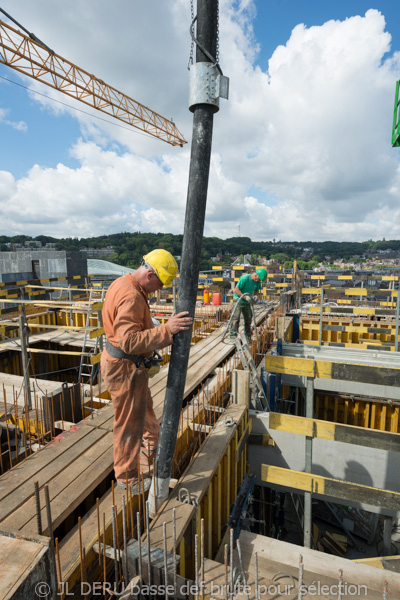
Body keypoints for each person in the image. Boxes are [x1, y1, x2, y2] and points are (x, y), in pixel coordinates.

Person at [100, 249, 193, 494]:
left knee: (146, 417)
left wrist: (158, 328)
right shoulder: (132, 296)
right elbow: (128, 341)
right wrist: (167, 332)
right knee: (128, 425)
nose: (159, 289)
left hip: (128, 367)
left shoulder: (124, 284)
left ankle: (153, 455)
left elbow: (133, 329)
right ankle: (127, 478)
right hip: (125, 369)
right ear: (150, 274)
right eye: (160, 283)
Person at [230, 268, 267, 339]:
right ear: (256, 275)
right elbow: (236, 290)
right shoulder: (244, 279)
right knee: (236, 318)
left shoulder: (257, 281)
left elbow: (256, 290)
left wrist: (256, 296)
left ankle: (247, 334)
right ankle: (233, 336)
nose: (259, 281)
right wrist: (245, 297)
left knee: (248, 318)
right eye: (258, 279)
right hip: (238, 300)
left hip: (247, 301)